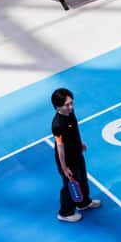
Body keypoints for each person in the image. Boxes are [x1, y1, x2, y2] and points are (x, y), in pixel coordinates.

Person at [51, 88, 101, 222]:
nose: (71, 107)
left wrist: (80, 143)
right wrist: (64, 168)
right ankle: (65, 213)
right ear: (58, 106)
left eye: (71, 103)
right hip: (67, 160)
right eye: (67, 105)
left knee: (82, 179)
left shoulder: (70, 113)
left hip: (77, 153)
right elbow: (60, 148)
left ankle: (83, 203)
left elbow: (74, 132)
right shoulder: (57, 125)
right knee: (70, 186)